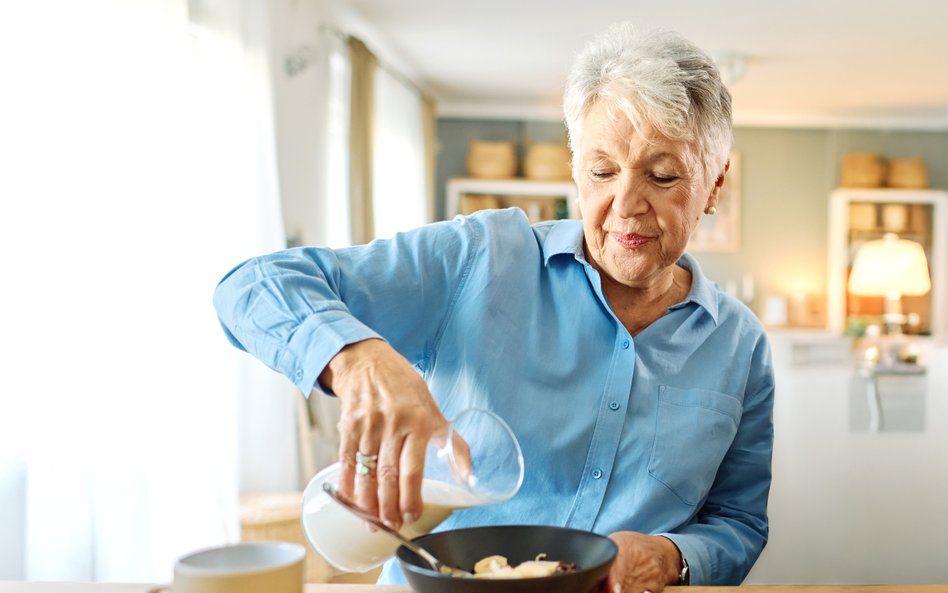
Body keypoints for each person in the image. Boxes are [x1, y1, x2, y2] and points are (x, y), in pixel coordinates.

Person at [214, 22, 774, 592]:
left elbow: (739, 522)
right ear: (575, 169)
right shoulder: (480, 257)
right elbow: (252, 286)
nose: (625, 203)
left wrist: (671, 557)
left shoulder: (742, 346)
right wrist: (361, 361)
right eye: (602, 171)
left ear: (714, 184)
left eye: (662, 175)